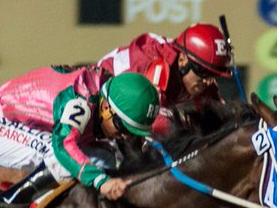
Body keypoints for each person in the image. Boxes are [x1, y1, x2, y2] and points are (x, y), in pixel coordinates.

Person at [0, 65, 160, 208]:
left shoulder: (110, 92)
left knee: (107, 159)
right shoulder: (80, 101)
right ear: (106, 107)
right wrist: (100, 181)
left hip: (35, 125)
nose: (123, 135)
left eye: (131, 131)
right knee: (58, 156)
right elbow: (63, 147)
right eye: (122, 127)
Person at [97, 22, 234, 137]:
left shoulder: (196, 72)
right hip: (101, 112)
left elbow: (217, 115)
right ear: (183, 59)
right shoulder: (155, 63)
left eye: (214, 75)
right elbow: (153, 120)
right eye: (204, 72)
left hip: (128, 118)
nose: (209, 82)